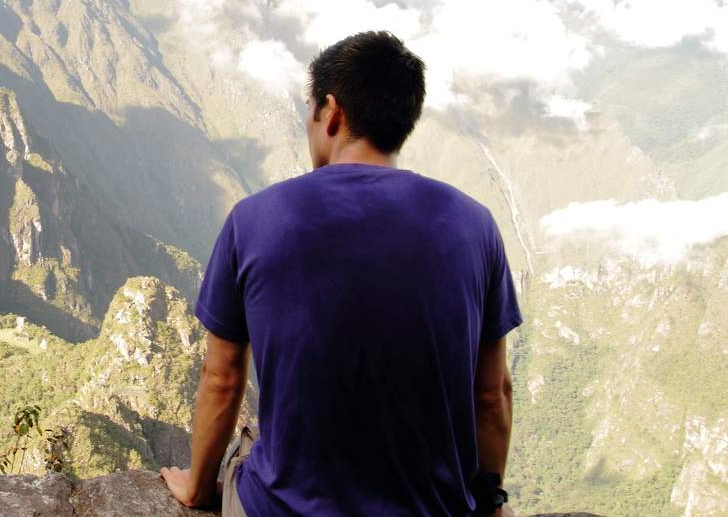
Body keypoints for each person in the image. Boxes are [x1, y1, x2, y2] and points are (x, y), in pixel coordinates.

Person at [160, 31, 520, 516]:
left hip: (282, 509)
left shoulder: (254, 219)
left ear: (332, 112)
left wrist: (198, 489)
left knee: (255, 444)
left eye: (310, 109)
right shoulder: (475, 224)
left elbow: (222, 379)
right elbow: (491, 393)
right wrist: (491, 502)